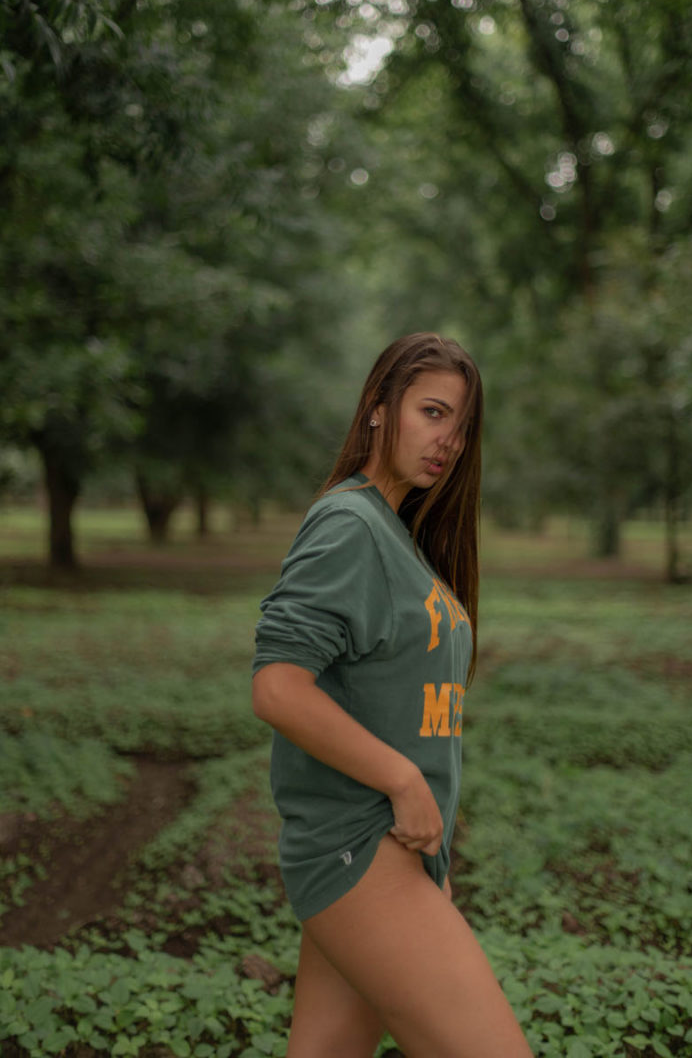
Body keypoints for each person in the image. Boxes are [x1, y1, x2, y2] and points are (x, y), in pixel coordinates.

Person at [252, 332, 534, 1058]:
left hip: (393, 856)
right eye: (433, 413)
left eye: (461, 428)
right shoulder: (349, 523)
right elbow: (278, 688)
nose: (449, 442)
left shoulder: (395, 535)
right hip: (360, 847)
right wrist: (404, 781)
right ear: (379, 408)